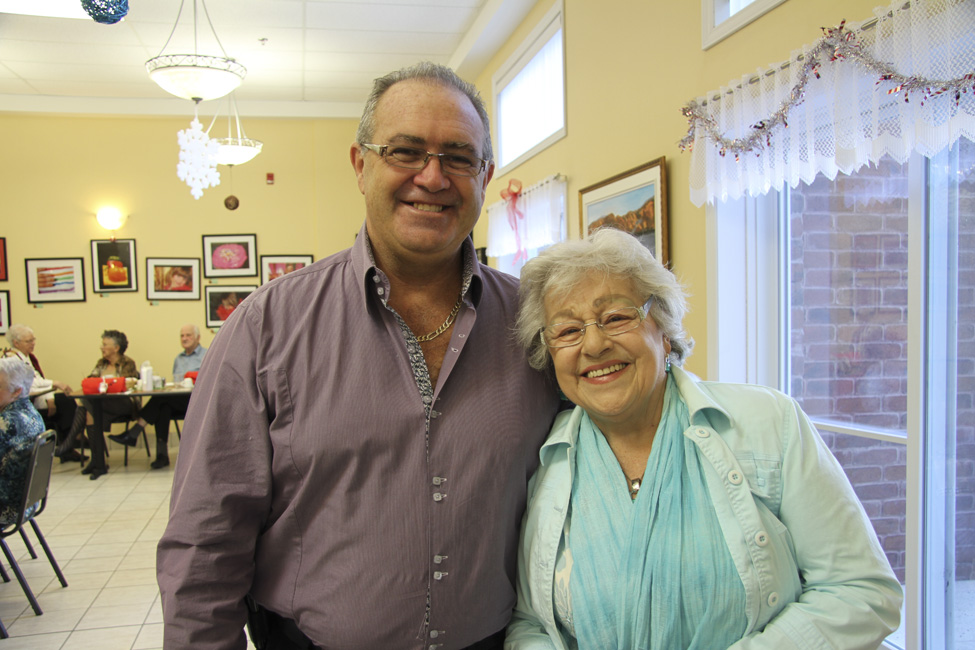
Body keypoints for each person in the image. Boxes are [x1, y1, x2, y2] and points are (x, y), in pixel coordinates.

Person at [157, 62, 562, 650]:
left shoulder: (537, 324)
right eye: (405, 151)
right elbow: (206, 535)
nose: (432, 176)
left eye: (457, 156)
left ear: (486, 175)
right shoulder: (267, 326)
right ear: (360, 164)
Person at [504, 228, 903, 649]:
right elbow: (530, 623)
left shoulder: (768, 422)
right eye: (567, 331)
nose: (595, 344)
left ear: (664, 329)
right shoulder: (545, 460)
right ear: (549, 353)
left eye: (617, 318)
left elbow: (861, 592)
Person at [109, 324, 206, 469]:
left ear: (198, 337)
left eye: (188, 335)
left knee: (161, 399)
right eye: (182, 335)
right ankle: (161, 456)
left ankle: (134, 432)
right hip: (179, 400)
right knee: (163, 406)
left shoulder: (206, 354)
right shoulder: (178, 359)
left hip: (198, 400)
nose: (184, 338)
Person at [2, 324, 83, 461]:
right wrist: (55, 383)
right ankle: (69, 442)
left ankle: (68, 443)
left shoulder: (28, 358)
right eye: (29, 341)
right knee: (65, 402)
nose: (33, 343)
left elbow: (39, 379)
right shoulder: (12, 360)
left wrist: (50, 397)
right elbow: (29, 384)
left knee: (66, 400)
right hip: (25, 401)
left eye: (33, 340)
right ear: (16, 343)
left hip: (38, 396)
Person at [68, 330, 139, 480]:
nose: (101, 347)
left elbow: (126, 384)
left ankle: (75, 446)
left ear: (116, 348)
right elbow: (89, 382)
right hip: (101, 405)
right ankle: (97, 463)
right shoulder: (101, 364)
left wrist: (103, 384)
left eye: (105, 344)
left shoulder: (128, 363)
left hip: (123, 405)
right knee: (89, 411)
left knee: (86, 405)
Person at [0, 357, 46, 523]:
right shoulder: (31, 413)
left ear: (16, 391)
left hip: (7, 507)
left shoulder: (8, 422)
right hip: (27, 502)